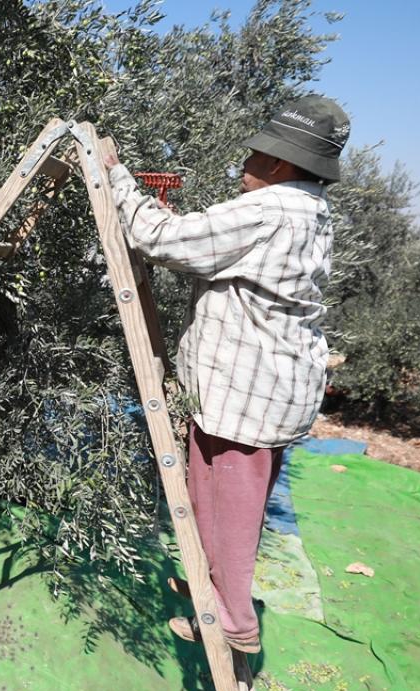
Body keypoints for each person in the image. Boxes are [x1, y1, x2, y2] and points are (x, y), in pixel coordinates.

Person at [104, 95, 350, 653]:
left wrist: (116, 177)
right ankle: (208, 591)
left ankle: (234, 619)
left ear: (282, 164)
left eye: (259, 151)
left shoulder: (271, 210)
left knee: (230, 508)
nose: (247, 159)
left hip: (251, 390)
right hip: (250, 387)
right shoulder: (308, 209)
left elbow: (161, 240)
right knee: (210, 492)